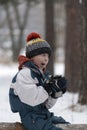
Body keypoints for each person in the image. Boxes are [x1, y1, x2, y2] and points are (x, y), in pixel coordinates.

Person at [9, 32, 69, 130]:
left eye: (48, 56)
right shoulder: (25, 74)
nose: (46, 59)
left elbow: (46, 105)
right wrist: (49, 87)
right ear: (32, 56)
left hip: (43, 114)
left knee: (65, 124)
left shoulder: (43, 75)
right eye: (43, 55)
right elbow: (33, 99)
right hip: (31, 117)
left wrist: (56, 92)